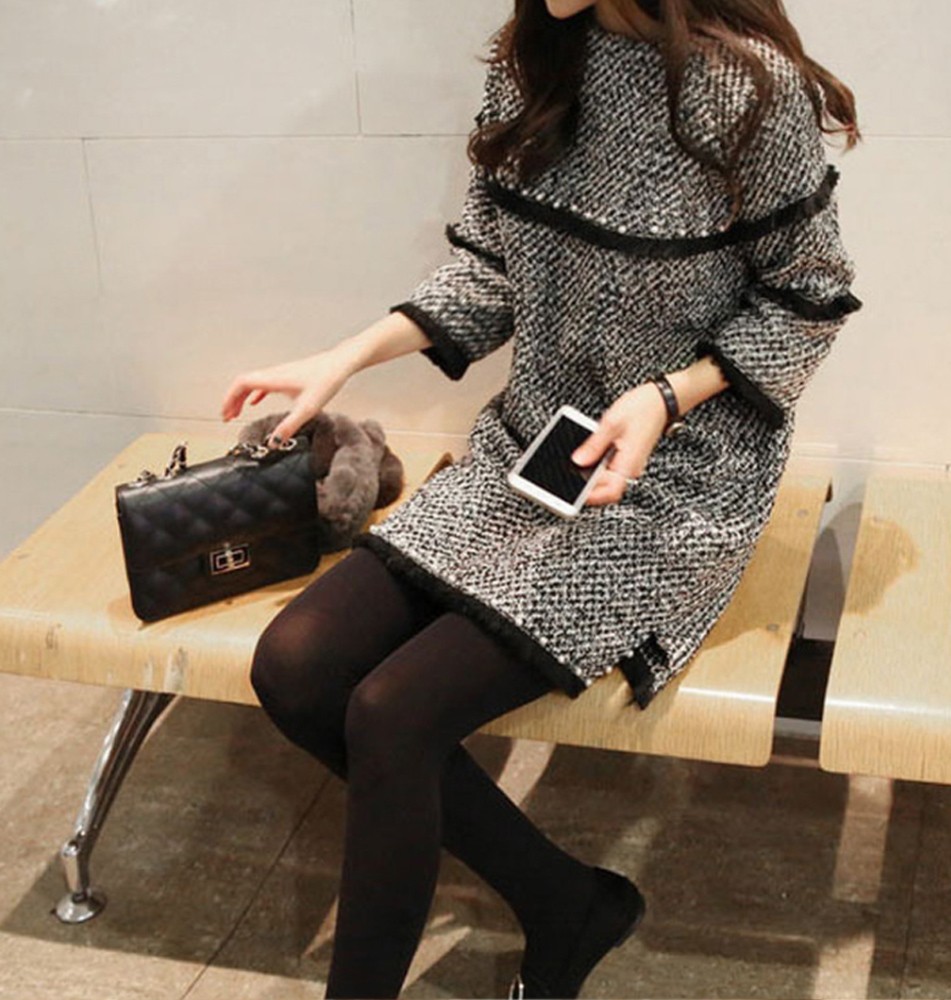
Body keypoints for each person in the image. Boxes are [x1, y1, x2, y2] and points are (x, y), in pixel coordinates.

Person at [219, 0, 861, 996]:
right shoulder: (532, 62)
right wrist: (343, 357)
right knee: (298, 667)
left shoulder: (748, 92)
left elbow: (808, 297)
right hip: (530, 445)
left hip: (676, 479)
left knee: (393, 714)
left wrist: (665, 396)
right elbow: (489, 268)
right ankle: (566, 901)